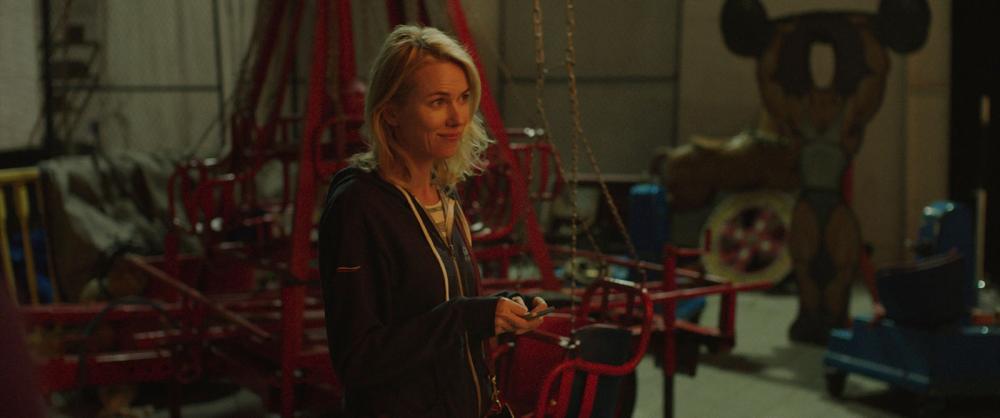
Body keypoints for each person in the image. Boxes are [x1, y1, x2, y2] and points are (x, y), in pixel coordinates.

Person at [319, 25, 548, 417]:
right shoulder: (358, 206)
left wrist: (498, 311)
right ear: (391, 111)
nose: (458, 117)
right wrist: (467, 316)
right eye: (438, 102)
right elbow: (357, 360)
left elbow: (437, 309)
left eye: (463, 98)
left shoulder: (443, 193)